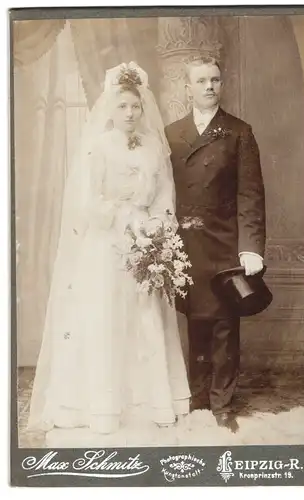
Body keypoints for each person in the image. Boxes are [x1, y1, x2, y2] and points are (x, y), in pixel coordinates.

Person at [28, 62, 190, 435]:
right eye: (122, 106)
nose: (130, 113)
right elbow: (88, 200)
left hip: (147, 241)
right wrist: (122, 221)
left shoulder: (153, 145)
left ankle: (152, 403)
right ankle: (103, 407)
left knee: (145, 319)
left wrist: (157, 230)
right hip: (107, 243)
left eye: (135, 106)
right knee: (107, 318)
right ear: (110, 109)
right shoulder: (98, 147)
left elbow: (166, 193)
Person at [165, 55, 266, 430]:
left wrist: (251, 246)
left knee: (224, 326)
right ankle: (197, 399)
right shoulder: (171, 134)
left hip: (224, 244)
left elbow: (251, 195)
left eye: (215, 80)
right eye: (202, 81)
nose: (210, 86)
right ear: (187, 87)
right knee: (196, 324)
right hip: (185, 246)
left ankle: (222, 406)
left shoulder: (239, 131)